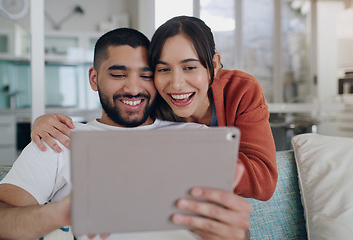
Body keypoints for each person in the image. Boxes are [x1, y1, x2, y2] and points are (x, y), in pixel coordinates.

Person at [0, 28, 252, 240]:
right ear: (94, 78)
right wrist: (63, 213)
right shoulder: (59, 139)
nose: (133, 88)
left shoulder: (196, 137)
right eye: (118, 75)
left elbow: (232, 229)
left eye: (146, 75)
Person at [30, 16, 277, 201]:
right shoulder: (151, 97)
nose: (176, 84)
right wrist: (42, 121)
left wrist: (183, 153)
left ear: (213, 65)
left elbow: (263, 181)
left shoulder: (241, 90)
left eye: (190, 67)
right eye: (163, 69)